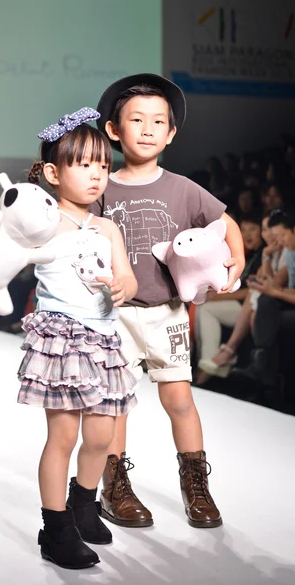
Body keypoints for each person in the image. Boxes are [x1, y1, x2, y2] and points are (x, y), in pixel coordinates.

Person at [90, 74, 245, 530]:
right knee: (116, 403)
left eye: (159, 121)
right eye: (135, 119)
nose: (147, 128)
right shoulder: (103, 188)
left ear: (172, 133)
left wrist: (235, 259)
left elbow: (225, 221)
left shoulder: (182, 188)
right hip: (113, 315)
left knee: (179, 398)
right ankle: (115, 487)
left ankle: (195, 485)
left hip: (169, 314)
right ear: (113, 130)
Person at [17, 108, 138, 570]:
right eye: (83, 164)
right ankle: (55, 528)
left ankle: (83, 505)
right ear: (53, 172)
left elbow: (126, 277)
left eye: (103, 165)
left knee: (103, 435)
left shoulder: (108, 228)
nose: (96, 175)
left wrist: (121, 285)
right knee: (63, 436)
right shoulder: (43, 224)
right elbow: (13, 255)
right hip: (63, 341)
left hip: (103, 341)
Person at [197, 213, 283, 379]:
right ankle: (209, 364)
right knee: (204, 308)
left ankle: (211, 367)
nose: (248, 234)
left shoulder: (263, 254)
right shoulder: (254, 254)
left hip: (258, 306)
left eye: (253, 229)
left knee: (207, 308)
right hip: (252, 305)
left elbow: (256, 289)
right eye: (243, 230)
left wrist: (219, 296)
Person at [231, 210, 295, 392]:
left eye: (282, 235)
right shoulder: (290, 252)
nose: (280, 241)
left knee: (267, 307)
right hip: (285, 301)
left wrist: (276, 291)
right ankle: (263, 366)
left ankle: (263, 366)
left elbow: (279, 287)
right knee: (266, 302)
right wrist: (275, 291)